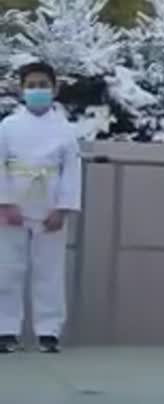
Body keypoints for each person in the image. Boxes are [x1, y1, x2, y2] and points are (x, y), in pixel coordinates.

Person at [0, 61, 82, 354]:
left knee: (49, 270)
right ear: (21, 90)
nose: (37, 90)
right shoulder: (8, 126)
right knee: (7, 269)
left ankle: (49, 330)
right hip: (12, 206)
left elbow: (71, 171)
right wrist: (5, 202)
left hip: (49, 205)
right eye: (31, 85)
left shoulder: (65, 130)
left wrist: (63, 208)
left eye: (43, 85)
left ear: (55, 89)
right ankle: (5, 329)